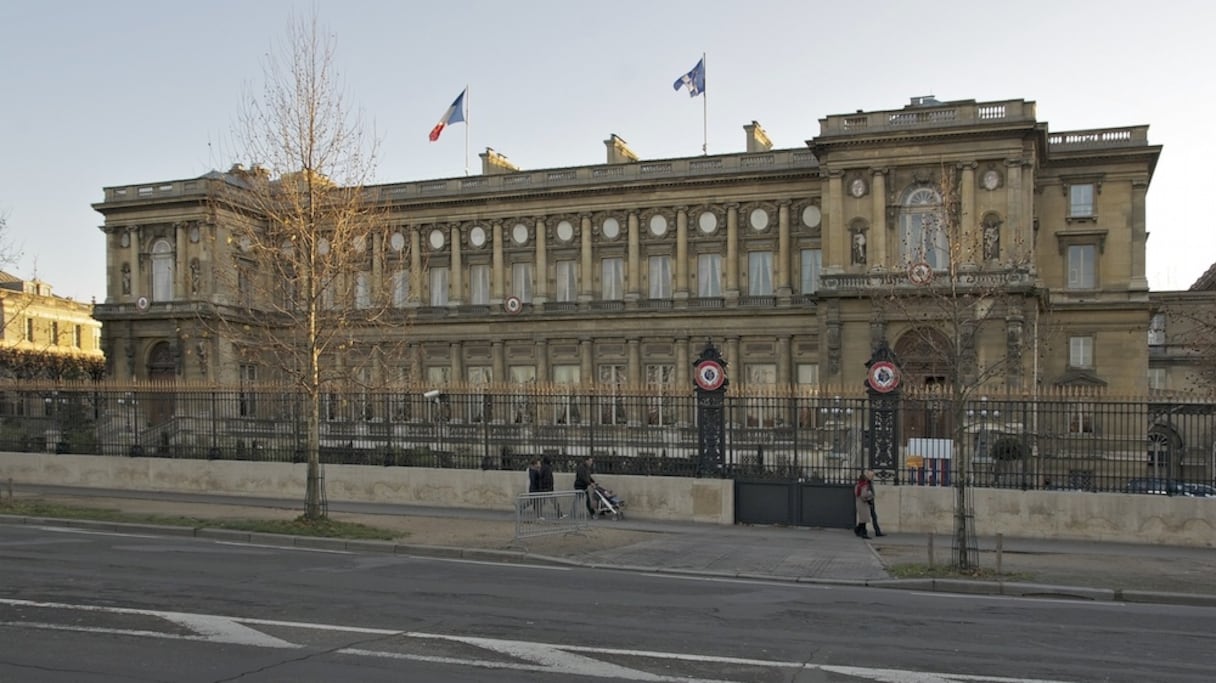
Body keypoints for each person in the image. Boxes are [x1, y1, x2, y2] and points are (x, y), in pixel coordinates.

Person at [854, 470, 875, 539]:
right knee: (864, 519)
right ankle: (863, 533)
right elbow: (863, 495)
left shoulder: (857, 485)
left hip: (858, 503)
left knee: (862, 519)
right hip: (864, 504)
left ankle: (858, 530)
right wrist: (870, 495)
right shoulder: (864, 486)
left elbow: (857, 494)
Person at [864, 469, 884, 537]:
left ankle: (877, 532)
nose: (871, 476)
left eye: (872, 475)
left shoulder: (870, 482)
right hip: (867, 502)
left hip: (871, 502)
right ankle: (860, 530)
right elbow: (865, 493)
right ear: (867, 475)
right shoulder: (866, 482)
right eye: (870, 475)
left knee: (874, 517)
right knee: (866, 518)